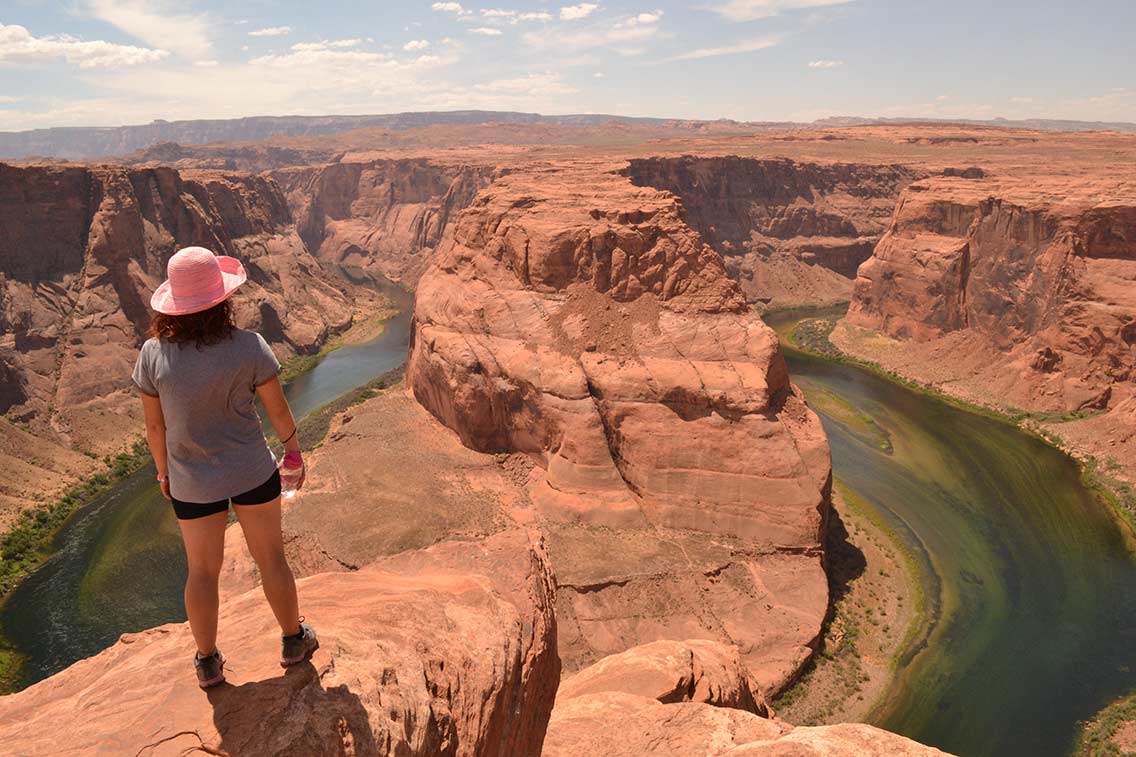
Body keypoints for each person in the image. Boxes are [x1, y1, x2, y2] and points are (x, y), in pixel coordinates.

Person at [132, 246, 317, 689]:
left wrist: (163, 473)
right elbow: (277, 410)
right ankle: (294, 641)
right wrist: (293, 453)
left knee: (201, 571)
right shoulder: (248, 346)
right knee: (271, 557)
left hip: (191, 482)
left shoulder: (153, 354)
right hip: (252, 471)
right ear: (222, 299)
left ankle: (207, 661)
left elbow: (154, 427)